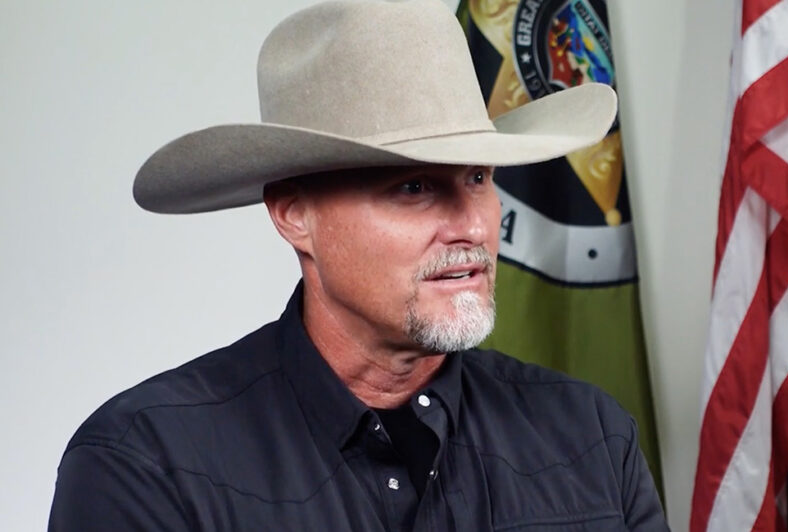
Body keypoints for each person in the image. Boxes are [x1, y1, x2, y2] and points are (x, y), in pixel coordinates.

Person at [48, 0, 669, 530]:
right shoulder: (147, 465)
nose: (472, 226)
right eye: (412, 188)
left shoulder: (589, 437)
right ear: (295, 214)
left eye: (478, 177)